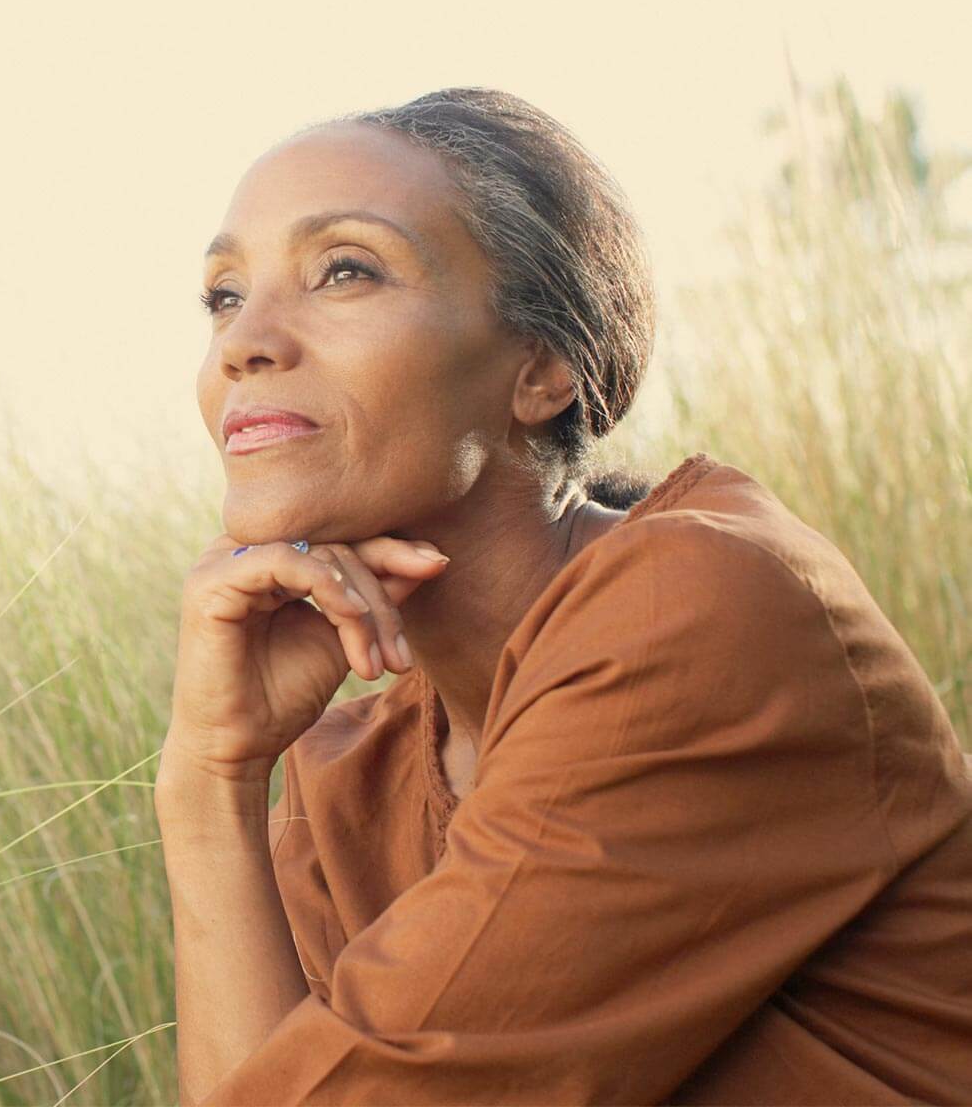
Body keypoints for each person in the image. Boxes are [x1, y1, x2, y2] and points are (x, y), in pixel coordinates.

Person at [157, 86, 972, 1104]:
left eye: (345, 271)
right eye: (224, 295)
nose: (245, 342)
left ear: (540, 368)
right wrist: (210, 784)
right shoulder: (349, 777)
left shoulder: (705, 606)